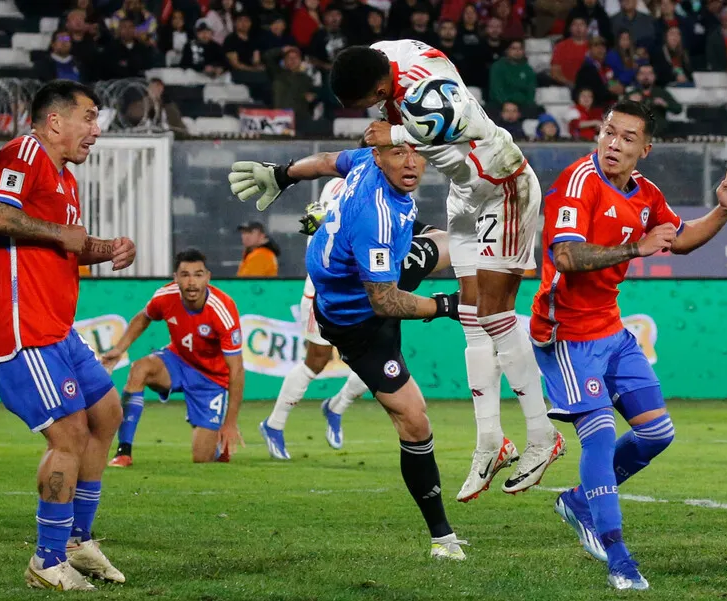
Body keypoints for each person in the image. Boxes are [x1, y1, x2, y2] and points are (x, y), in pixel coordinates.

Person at [319, 41, 567, 503]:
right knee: (473, 321)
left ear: (378, 86)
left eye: (366, 101)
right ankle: (491, 441)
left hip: (501, 186)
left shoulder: (423, 92)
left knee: (494, 315)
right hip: (465, 191)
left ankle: (542, 434)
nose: (368, 111)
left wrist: (393, 136)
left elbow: (462, 118)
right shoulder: (383, 56)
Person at [531, 99, 727, 590]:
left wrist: (723, 210)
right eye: (609, 131)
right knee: (601, 434)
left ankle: (580, 501)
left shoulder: (647, 194)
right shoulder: (577, 183)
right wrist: (635, 247)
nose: (613, 143)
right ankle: (619, 559)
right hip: (566, 333)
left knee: (656, 435)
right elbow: (565, 256)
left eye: (627, 138)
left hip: (610, 330)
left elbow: (680, 238)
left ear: (644, 149)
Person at [228, 143, 467, 560]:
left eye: (417, 153)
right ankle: (442, 539)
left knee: (458, 241)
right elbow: (385, 302)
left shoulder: (362, 164)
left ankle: (487, 321)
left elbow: (323, 162)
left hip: (363, 281)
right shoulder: (377, 217)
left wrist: (284, 174)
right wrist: (447, 306)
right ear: (379, 155)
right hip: (360, 323)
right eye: (399, 154)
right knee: (414, 419)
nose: (411, 163)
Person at [0, 80, 137, 591]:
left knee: (107, 412)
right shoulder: (23, 151)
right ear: (55, 121)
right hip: (22, 330)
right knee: (67, 434)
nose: (96, 129)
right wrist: (59, 234)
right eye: (88, 117)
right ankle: (45, 560)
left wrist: (106, 247)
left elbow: (66, 243)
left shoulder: (65, 179)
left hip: (57, 329)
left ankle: (75, 541)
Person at [259, 177, 453, 460]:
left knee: (378, 362)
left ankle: (336, 406)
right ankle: (274, 424)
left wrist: (433, 234)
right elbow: (330, 223)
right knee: (316, 361)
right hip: (325, 293)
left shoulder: (382, 197)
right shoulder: (346, 190)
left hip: (368, 295)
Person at [104, 248, 245, 466]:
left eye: (198, 275)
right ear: (176, 278)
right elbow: (144, 317)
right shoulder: (165, 296)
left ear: (208, 277)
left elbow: (236, 370)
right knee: (140, 369)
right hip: (178, 360)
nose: (191, 282)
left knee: (202, 458)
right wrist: (120, 348)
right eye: (185, 275)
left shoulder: (222, 309)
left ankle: (216, 443)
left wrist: (230, 423)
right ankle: (124, 451)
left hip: (212, 380)